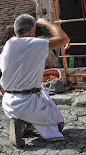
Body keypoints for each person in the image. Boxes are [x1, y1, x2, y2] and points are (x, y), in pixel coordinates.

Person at [0, 14, 70, 147]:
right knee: (57, 123)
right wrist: (46, 23)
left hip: (9, 102)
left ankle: (22, 122)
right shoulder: (34, 44)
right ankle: (24, 122)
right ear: (32, 31)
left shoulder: (8, 46)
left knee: (42, 93)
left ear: (15, 31)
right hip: (27, 103)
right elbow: (64, 39)